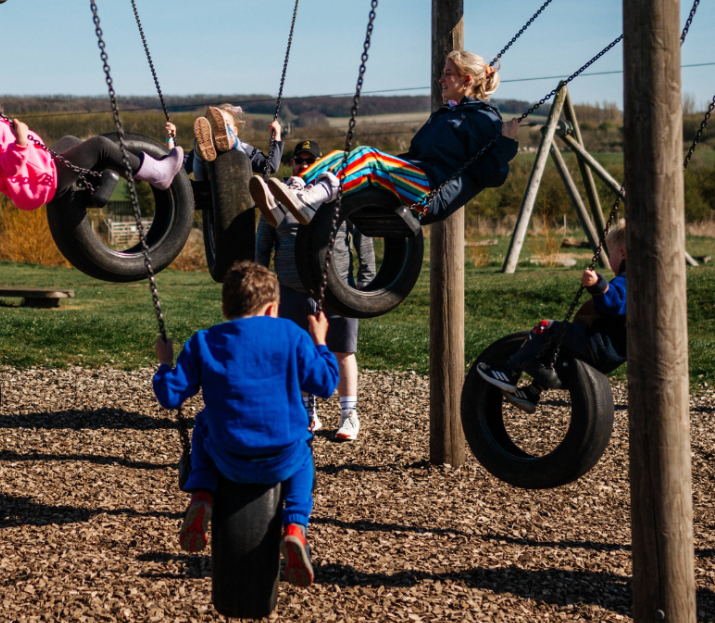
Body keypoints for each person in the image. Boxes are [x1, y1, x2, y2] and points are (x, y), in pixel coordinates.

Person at [152, 261, 338, 587]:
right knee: (303, 452)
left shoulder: (203, 341)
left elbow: (170, 396)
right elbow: (324, 384)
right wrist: (320, 341)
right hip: (283, 457)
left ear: (225, 308)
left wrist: (165, 363)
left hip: (227, 455)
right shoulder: (292, 335)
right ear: (273, 309)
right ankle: (295, 528)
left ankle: (201, 496)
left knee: (204, 425)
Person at [248, 51, 520, 227]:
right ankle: (289, 196)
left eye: (448, 73)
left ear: (467, 79)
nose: (440, 79)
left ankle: (310, 201)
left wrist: (506, 142)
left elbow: (492, 176)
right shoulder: (447, 114)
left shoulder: (484, 118)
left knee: (369, 158)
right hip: (417, 179)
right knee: (340, 158)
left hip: (431, 192)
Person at [254, 139, 374, 441]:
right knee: (299, 351)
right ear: (291, 164)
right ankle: (307, 412)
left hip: (337, 288)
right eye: (298, 161)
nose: (303, 165)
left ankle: (349, 415)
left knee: (343, 351)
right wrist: (260, 284)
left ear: (320, 165)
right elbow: (263, 243)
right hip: (291, 288)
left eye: (310, 161)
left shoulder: (339, 196)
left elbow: (364, 237)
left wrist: (367, 278)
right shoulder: (278, 200)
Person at [0, 75, 184, 211]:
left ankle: (99, 186)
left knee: (69, 142)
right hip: (42, 182)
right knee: (99, 146)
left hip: (32, 181)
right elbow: (10, 165)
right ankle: (158, 173)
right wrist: (20, 140)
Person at [477, 220, 627, 412]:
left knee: (546, 327)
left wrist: (598, 285)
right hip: (611, 353)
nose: (609, 259)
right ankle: (532, 392)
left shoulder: (626, 281)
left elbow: (615, 302)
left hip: (598, 344)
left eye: (611, 253)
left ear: (622, 253)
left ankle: (509, 372)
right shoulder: (643, 284)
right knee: (555, 348)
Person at [167, 104, 283, 180]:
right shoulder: (205, 148)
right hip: (206, 190)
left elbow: (270, 166)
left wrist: (276, 134)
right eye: (215, 127)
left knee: (239, 153)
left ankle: (232, 142)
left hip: (239, 188)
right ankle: (199, 144)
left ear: (236, 131)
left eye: (226, 125)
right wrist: (170, 138)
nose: (219, 130)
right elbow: (177, 168)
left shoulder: (245, 148)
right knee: (200, 153)